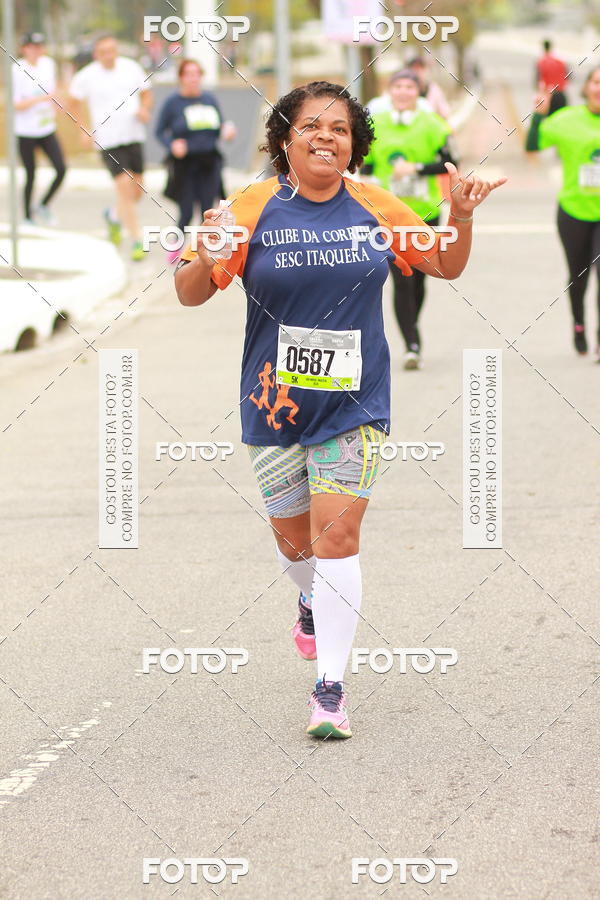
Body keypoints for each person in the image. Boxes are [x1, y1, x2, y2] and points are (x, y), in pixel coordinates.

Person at [174, 81, 505, 739]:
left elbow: (442, 261)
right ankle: (306, 596)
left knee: (338, 538)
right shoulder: (252, 206)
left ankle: (330, 689)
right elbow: (189, 292)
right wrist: (206, 257)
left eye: (341, 129)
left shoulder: (374, 203)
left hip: (356, 405)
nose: (327, 137)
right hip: (273, 403)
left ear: (354, 146)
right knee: (295, 545)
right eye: (312, 126)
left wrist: (460, 217)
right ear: (284, 139)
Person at [362, 70, 457, 369]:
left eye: (409, 87)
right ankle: (411, 343)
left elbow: (449, 162)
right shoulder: (376, 125)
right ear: (390, 92)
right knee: (401, 278)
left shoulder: (432, 124)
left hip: (425, 214)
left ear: (418, 92)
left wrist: (415, 168)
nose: (403, 92)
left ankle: (410, 325)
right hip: (388, 216)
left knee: (419, 280)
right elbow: (365, 164)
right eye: (397, 86)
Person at [526, 68, 600, 361]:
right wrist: (539, 115)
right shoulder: (567, 119)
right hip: (573, 211)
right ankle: (579, 324)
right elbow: (533, 145)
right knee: (578, 277)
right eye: (596, 82)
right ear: (586, 88)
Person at [68, 34, 153, 261]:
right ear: (96, 54)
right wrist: (83, 129)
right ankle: (136, 239)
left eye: (112, 50)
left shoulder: (131, 68)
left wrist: (145, 109)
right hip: (107, 140)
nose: (108, 56)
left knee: (138, 191)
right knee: (124, 187)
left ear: (117, 50)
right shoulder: (86, 76)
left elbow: (147, 94)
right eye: (103, 52)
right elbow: (72, 102)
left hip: (133, 134)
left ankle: (114, 216)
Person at [155, 58, 236, 264]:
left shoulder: (209, 99)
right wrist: (172, 144)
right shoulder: (173, 103)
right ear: (181, 78)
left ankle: (201, 252)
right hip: (185, 164)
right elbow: (159, 132)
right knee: (186, 210)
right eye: (188, 74)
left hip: (209, 161)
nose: (193, 79)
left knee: (207, 209)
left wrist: (227, 131)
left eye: (196, 74)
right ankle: (175, 249)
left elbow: (219, 126)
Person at [12, 32, 66, 226]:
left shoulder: (48, 64)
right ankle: (27, 216)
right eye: (31, 47)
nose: (36, 51)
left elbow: (54, 91)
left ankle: (43, 205)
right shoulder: (17, 70)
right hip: (26, 131)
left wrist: (57, 104)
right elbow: (16, 104)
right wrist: (42, 99)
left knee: (61, 169)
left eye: (39, 47)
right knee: (30, 174)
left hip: (46, 128)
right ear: (24, 49)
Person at [407, 57, 451, 121]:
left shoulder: (433, 89)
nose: (417, 71)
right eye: (414, 68)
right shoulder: (403, 90)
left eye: (420, 68)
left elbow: (444, 112)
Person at [536, 39, 568, 115]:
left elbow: (540, 81)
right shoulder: (560, 61)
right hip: (561, 95)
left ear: (543, 47)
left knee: (549, 121)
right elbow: (568, 77)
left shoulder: (542, 62)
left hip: (549, 96)